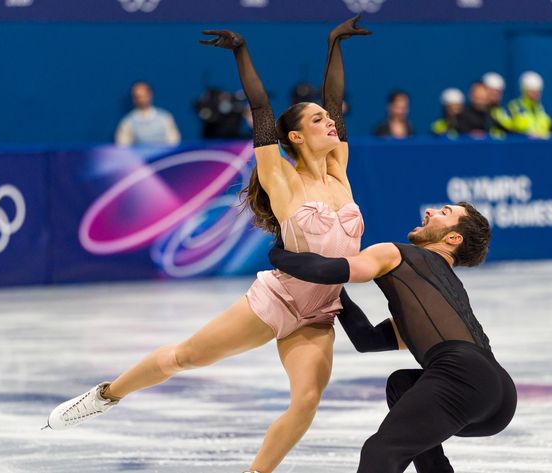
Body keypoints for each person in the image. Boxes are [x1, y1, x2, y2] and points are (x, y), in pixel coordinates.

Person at [47, 17, 371, 473]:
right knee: (186, 357)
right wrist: (241, 52)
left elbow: (335, 100)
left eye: (329, 119)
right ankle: (107, 394)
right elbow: (261, 110)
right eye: (318, 120)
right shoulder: (280, 177)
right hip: (277, 300)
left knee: (307, 402)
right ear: (295, 137)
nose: (330, 122)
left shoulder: (339, 168)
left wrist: (334, 44)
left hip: (319, 312)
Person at [268, 203, 517, 473]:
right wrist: (336, 292)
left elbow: (327, 270)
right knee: (402, 385)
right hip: (498, 397)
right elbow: (368, 339)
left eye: (444, 213)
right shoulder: (444, 292)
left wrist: (278, 254)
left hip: (463, 376)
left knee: (381, 452)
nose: (430, 211)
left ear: (453, 238)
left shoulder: (397, 254)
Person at [115, 81, 181, 146]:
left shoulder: (165, 117)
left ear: (150, 95)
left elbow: (174, 143)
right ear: (133, 98)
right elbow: (122, 146)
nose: (141, 100)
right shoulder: (127, 121)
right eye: (138, 96)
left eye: (144, 96)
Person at [507, 71, 552, 138]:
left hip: (541, 145)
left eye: (538, 91)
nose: (537, 93)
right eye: (533, 91)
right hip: (521, 146)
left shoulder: (541, 109)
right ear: (524, 90)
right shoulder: (514, 106)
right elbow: (508, 130)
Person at [482, 71, 511, 137]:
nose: (495, 94)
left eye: (498, 92)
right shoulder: (473, 113)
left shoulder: (505, 112)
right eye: (492, 91)